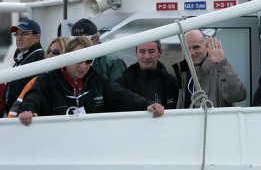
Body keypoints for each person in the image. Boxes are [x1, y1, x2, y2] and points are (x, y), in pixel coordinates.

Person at [17, 36, 164, 126]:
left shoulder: (97, 80)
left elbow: (123, 96)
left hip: (91, 145)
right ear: (67, 56)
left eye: (88, 61)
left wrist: (148, 105)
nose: (83, 66)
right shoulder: (47, 80)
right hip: (57, 145)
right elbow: (33, 97)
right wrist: (27, 110)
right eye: (79, 60)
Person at [173, 30, 246, 108]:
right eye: (187, 49)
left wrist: (221, 64)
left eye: (196, 47)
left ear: (206, 46)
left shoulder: (219, 70)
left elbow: (238, 95)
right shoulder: (183, 73)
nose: (192, 53)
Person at [7, 37, 70, 118]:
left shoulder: (80, 80)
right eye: (48, 51)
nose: (50, 55)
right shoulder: (37, 81)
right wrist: (27, 111)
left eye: (56, 52)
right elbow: (13, 114)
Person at [1, 19, 45, 117]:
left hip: (26, 119)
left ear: (37, 37)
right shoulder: (22, 59)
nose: (19, 38)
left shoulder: (40, 58)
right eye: (16, 34)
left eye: (24, 34)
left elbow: (39, 91)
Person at [116, 40, 178, 109]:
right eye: (142, 52)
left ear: (160, 53)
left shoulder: (172, 83)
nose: (147, 56)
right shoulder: (121, 83)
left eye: (151, 51)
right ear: (136, 53)